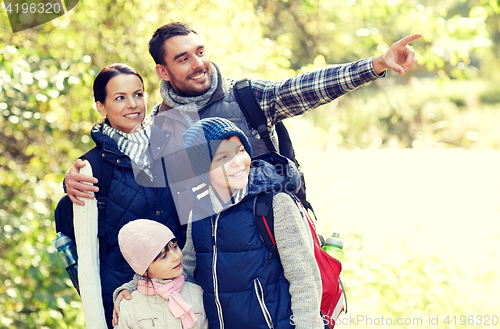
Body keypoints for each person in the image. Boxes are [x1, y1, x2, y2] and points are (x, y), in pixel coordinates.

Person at [64, 22, 422, 205]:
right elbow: (127, 161)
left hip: (276, 243)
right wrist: (75, 176)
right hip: (210, 265)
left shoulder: (248, 97)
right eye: (183, 58)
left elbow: (306, 87)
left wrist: (375, 65)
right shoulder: (159, 123)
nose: (199, 63)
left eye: (200, 51)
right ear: (163, 71)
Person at [115, 118, 324, 329]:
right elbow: (184, 266)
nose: (237, 161)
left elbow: (304, 280)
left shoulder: (274, 203)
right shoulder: (199, 210)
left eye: (240, 150)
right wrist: (132, 287)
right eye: (223, 157)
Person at [72, 63, 184, 328]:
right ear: (101, 106)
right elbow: (87, 263)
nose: (132, 104)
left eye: (138, 94)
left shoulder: (172, 147)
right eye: (120, 98)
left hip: (184, 299)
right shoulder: (89, 169)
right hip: (129, 310)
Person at [115, 219, 207, 329]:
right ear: (143, 269)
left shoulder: (198, 294)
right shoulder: (130, 307)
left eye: (175, 247)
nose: (176, 257)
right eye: (164, 256)